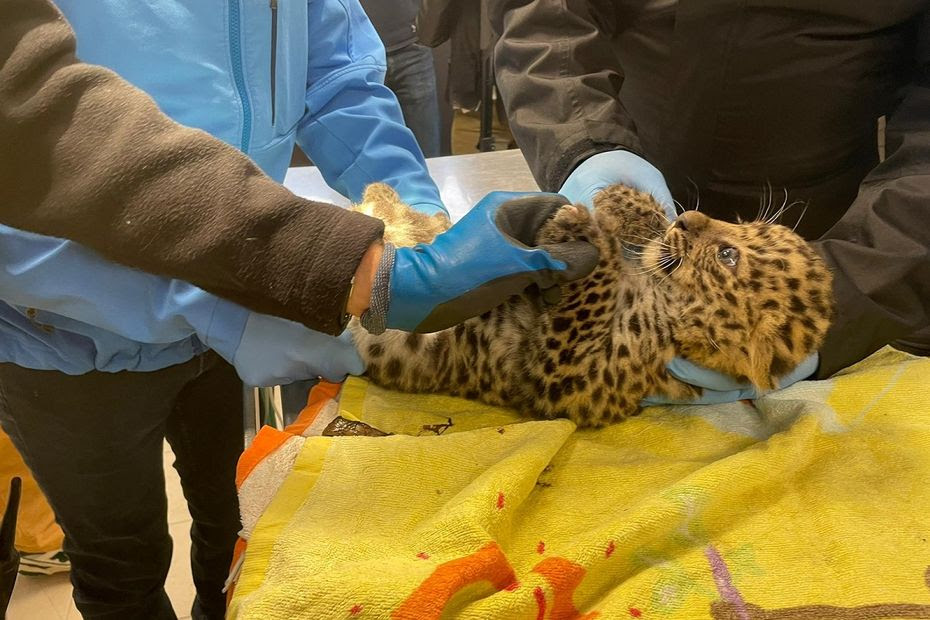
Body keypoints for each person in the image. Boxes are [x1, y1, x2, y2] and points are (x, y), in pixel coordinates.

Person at [0, 1, 599, 618]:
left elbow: (335, 75)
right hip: (65, 340)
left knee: (238, 515)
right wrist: (205, 298)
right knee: (120, 560)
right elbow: (25, 139)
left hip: (243, 276)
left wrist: (408, 211)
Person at [490, 0, 930, 401]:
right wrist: (582, 141)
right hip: (627, 178)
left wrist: (845, 301)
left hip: (840, 241)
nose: (696, 218)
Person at [360, 0, 443, 157]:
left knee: (426, 152)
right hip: (361, 53)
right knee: (365, 153)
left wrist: (425, 28)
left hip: (411, 46)